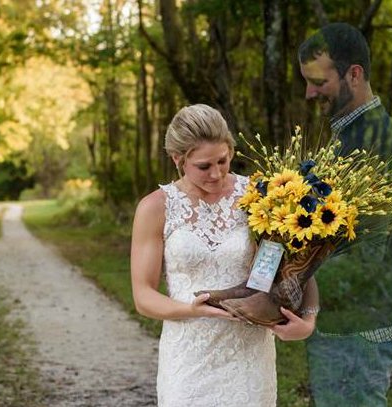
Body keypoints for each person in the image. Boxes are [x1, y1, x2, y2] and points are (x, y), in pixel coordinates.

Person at [130, 104, 317, 406]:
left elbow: (301, 265)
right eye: (204, 166)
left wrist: (308, 321)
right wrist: (194, 310)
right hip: (188, 358)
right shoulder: (155, 208)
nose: (216, 174)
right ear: (178, 159)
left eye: (223, 160)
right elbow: (143, 296)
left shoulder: (260, 197)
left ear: (231, 150)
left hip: (249, 358)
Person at [298, 23, 392, 406]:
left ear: (354, 74)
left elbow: (368, 254)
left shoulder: (376, 142)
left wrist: (289, 286)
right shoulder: (347, 134)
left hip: (364, 321)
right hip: (341, 315)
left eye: (318, 81)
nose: (309, 93)